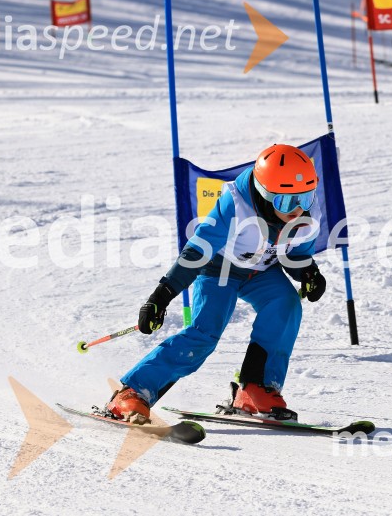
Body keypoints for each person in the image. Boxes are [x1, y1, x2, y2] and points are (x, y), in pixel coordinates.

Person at [104, 144, 327, 424]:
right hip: (219, 268)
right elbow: (198, 251)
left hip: (262, 271)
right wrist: (161, 295)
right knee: (205, 333)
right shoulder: (235, 204)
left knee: (286, 305)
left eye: (305, 198)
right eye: (286, 203)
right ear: (265, 195)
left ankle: (256, 387)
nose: (297, 210)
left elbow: (295, 251)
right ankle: (133, 391)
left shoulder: (308, 212)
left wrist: (308, 273)